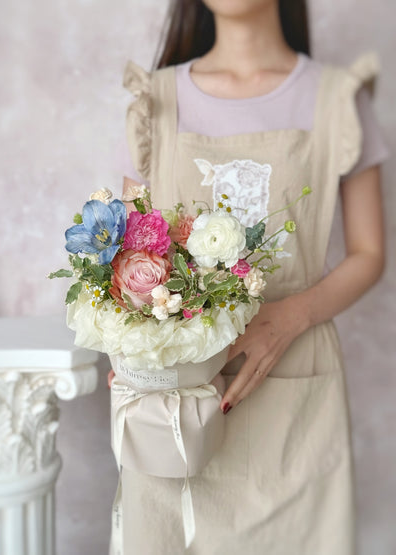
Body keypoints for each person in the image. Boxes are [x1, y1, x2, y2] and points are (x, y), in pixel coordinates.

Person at [108, 1, 390, 553]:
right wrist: (126, 366)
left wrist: (288, 319)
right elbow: (132, 263)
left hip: (297, 400)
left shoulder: (337, 98)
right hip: (175, 400)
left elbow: (370, 252)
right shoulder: (154, 100)